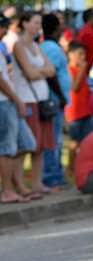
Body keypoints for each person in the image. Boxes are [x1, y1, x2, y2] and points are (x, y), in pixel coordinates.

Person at [12, 11, 56, 198]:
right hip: (27, 98)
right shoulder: (19, 45)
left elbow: (51, 70)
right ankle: (20, 184)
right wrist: (41, 71)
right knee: (27, 144)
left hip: (42, 98)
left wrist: (39, 71)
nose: (39, 26)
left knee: (41, 144)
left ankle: (37, 183)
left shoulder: (36, 46)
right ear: (25, 23)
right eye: (36, 22)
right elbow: (30, 73)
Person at [0, 11, 36, 203]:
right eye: (2, 26)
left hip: (9, 101)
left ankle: (17, 185)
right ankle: (7, 190)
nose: (5, 30)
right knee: (7, 148)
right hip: (4, 102)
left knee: (26, 143)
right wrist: (18, 100)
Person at [40, 13, 71, 190]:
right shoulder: (51, 47)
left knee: (55, 140)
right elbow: (50, 73)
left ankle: (56, 177)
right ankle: (52, 178)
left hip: (53, 100)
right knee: (54, 141)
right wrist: (60, 95)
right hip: (53, 101)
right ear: (55, 29)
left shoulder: (45, 46)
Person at [65, 41, 93, 177]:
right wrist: (82, 69)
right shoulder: (69, 69)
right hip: (74, 112)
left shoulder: (81, 70)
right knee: (74, 142)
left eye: (84, 54)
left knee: (86, 142)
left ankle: (82, 167)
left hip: (86, 110)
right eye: (80, 54)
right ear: (71, 54)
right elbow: (74, 86)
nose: (83, 57)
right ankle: (70, 169)